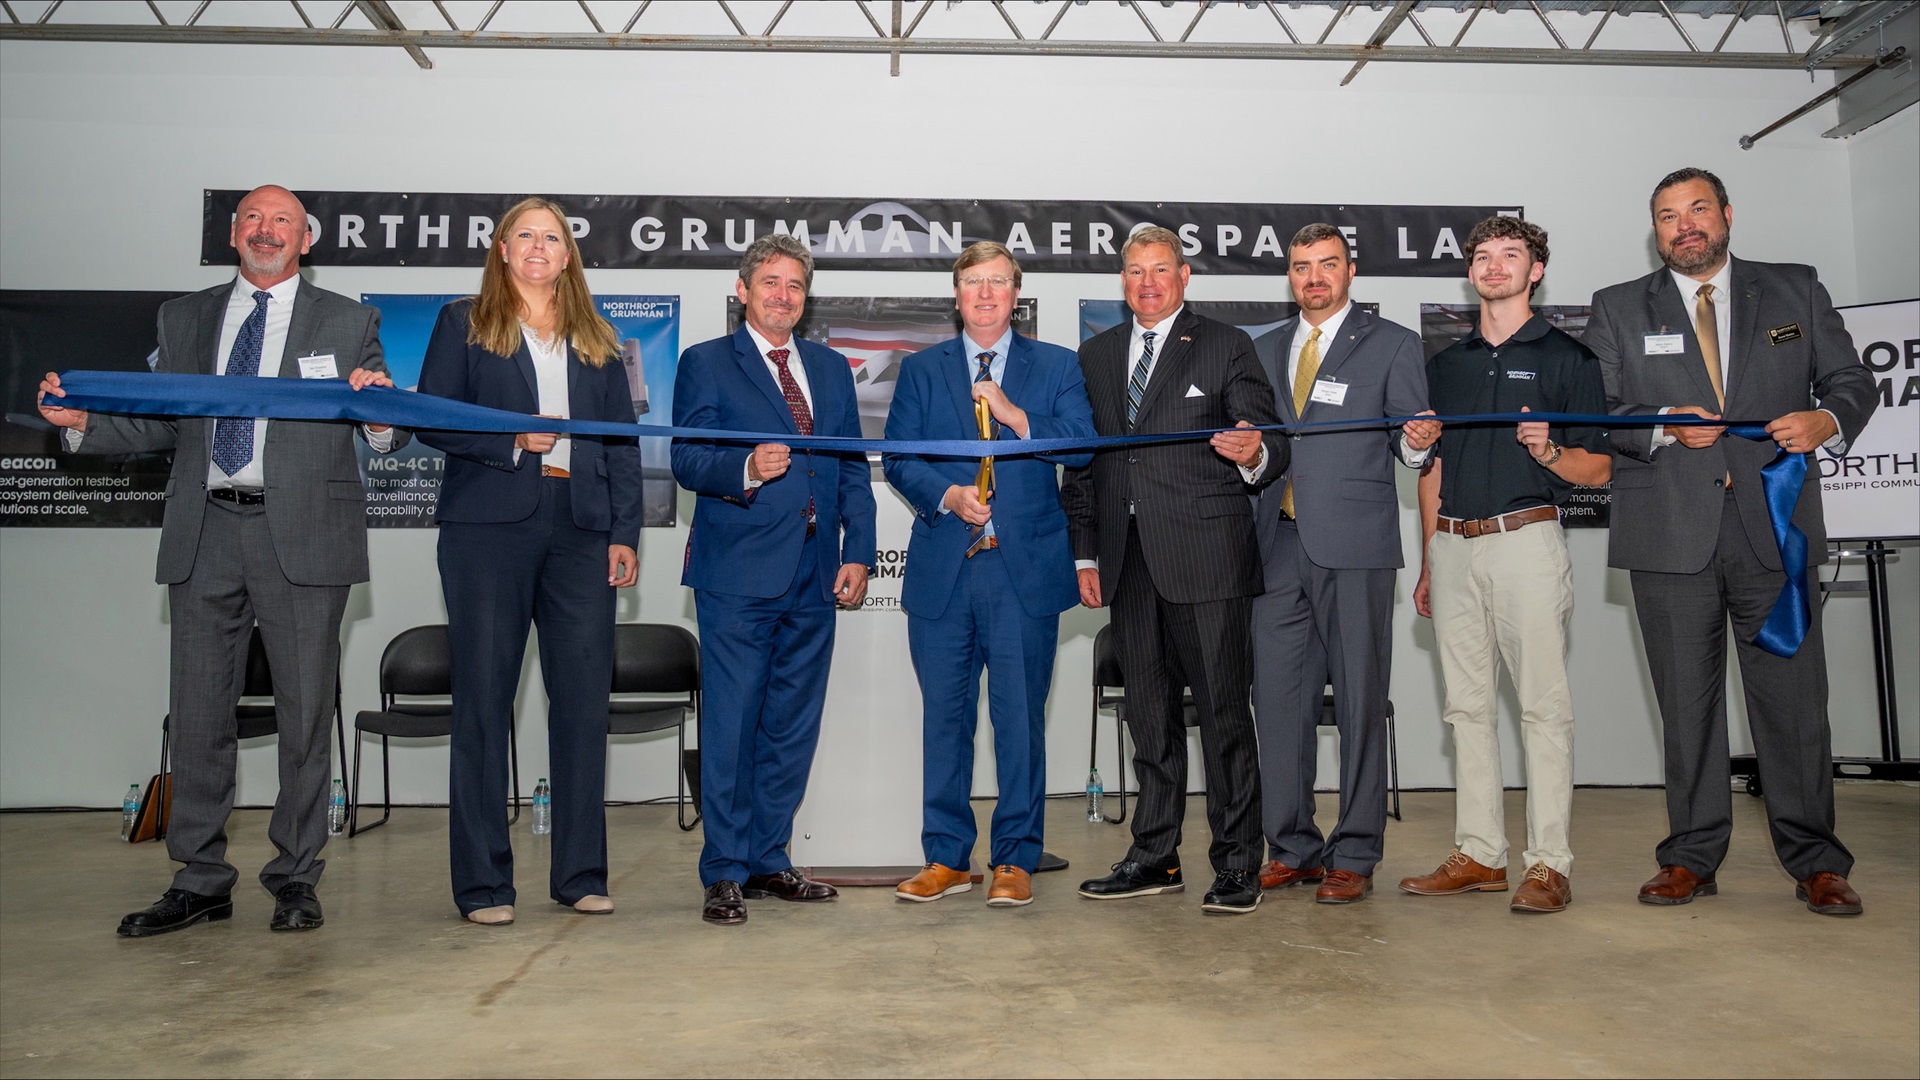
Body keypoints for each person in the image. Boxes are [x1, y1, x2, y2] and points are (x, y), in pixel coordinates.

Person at [37, 184, 406, 936]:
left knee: (304, 715)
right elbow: (159, 426)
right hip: (204, 532)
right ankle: (200, 878)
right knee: (201, 713)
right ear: (232, 233)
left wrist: (378, 417)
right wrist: (81, 424)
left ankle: (296, 877)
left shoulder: (348, 318)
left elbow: (386, 427)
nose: (266, 231)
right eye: (252, 219)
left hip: (303, 534)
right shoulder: (186, 316)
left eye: (282, 221)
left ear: (307, 239)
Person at [1587, 167, 1877, 916]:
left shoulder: (1794, 289)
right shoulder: (1619, 308)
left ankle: (1817, 860)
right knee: (1686, 709)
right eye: (1667, 215)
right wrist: (1657, 425)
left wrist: (1827, 421)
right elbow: (1597, 413)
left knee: (1795, 705)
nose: (1684, 225)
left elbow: (1851, 380)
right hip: (1669, 536)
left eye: (1697, 210)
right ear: (1654, 230)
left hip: (1774, 534)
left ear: (1726, 215)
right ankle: (1690, 857)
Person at [416, 197, 643, 926]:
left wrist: (624, 534)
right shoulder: (464, 323)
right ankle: (483, 886)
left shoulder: (597, 336)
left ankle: (580, 874)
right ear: (502, 249)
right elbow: (433, 418)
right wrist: (512, 442)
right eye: (526, 236)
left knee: (581, 706)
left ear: (567, 254)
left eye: (552, 237)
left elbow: (621, 444)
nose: (539, 247)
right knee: (484, 702)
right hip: (488, 530)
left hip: (581, 530)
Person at [1062, 225, 1282, 916]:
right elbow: (1086, 463)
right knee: (1148, 722)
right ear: (1121, 280)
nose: (1147, 282)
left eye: (1160, 270)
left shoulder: (1225, 345)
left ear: (1184, 277)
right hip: (1127, 568)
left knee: (1223, 719)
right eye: (1134, 271)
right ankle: (1155, 856)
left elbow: (1266, 439)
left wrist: (1251, 454)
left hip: (1207, 561)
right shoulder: (1095, 355)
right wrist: (1086, 550)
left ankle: (1240, 862)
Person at [1400, 216, 1610, 914]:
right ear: (1471, 271)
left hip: (1528, 540)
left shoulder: (1568, 360)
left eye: (1510, 256)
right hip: (1453, 544)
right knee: (1466, 709)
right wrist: (1430, 558)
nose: (1494, 268)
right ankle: (1482, 853)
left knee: (1543, 708)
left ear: (1536, 271)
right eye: (1483, 257)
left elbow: (1599, 467)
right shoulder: (1445, 364)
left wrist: (1549, 453)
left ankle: (1549, 862)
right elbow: (1430, 470)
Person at [672, 233, 877, 925]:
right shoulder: (706, 363)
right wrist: (744, 472)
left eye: (795, 285)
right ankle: (723, 870)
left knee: (791, 726)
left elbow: (851, 467)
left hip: (817, 572)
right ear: (743, 291)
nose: (783, 295)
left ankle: (767, 859)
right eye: (770, 284)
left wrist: (861, 551)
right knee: (731, 725)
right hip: (737, 575)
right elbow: (687, 458)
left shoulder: (828, 366)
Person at [883, 242, 1095, 908]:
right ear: (955, 294)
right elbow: (898, 458)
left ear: (1016, 293)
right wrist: (947, 497)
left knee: (1019, 722)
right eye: (972, 282)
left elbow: (1084, 443)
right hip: (947, 565)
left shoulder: (1057, 365)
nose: (983, 293)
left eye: (997, 282)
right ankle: (946, 858)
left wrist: (1016, 417)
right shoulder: (921, 370)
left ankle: (1014, 859)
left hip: (1021, 572)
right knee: (945, 721)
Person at [1247, 223, 1437, 905]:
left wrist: (1417, 443)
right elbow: (1266, 449)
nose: (1314, 278)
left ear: (1350, 271)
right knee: (1277, 704)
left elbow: (1410, 449)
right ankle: (1291, 846)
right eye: (1301, 267)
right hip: (1275, 548)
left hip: (1355, 547)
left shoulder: (1393, 345)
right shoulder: (1263, 348)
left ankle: (1355, 850)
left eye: (1327, 265)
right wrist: (1250, 458)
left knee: (1359, 700)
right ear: (1290, 276)